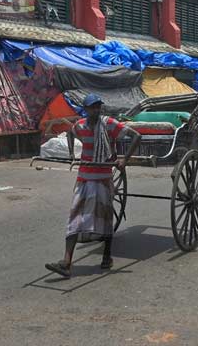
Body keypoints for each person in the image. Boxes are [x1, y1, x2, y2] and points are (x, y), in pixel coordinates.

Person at [45, 94, 141, 278]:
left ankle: (106, 256)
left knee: (105, 219)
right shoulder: (80, 125)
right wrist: (72, 154)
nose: (96, 110)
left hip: (103, 178)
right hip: (84, 179)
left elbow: (136, 136)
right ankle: (66, 262)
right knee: (74, 218)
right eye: (92, 107)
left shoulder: (109, 124)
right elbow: (71, 133)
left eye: (98, 107)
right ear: (86, 109)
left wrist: (124, 159)